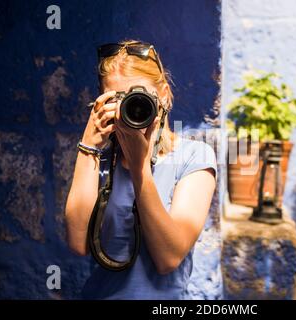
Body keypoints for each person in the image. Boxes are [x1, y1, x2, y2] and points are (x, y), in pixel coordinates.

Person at [64, 40, 217, 299]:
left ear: (164, 95)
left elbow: (168, 258)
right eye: (116, 99)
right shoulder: (98, 158)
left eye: (138, 98)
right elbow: (78, 244)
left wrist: (140, 168)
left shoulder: (195, 156)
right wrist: (87, 146)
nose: (129, 109)